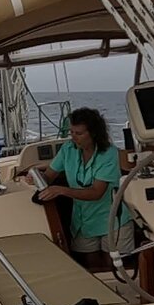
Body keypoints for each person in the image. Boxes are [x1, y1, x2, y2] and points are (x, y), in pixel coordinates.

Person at [28, 107, 133, 269]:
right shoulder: (68, 149)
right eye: (71, 132)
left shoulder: (109, 154)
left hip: (113, 221)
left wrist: (61, 190)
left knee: (114, 268)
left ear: (94, 133)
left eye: (79, 133)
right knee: (91, 266)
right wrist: (36, 177)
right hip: (83, 222)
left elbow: (97, 192)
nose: (74, 138)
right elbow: (49, 176)